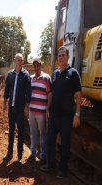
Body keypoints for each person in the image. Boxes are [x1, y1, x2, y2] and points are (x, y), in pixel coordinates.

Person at [41, 46, 81, 178]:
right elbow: (51, 93)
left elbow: (78, 95)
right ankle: (51, 163)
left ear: (68, 57)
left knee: (65, 144)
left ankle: (63, 168)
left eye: (63, 55)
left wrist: (77, 114)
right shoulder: (55, 73)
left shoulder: (73, 73)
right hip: (54, 115)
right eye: (59, 56)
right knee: (50, 140)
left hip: (66, 116)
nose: (61, 57)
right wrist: (47, 108)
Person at [3, 53, 31, 162]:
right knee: (11, 131)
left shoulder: (26, 75)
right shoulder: (10, 75)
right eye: (18, 60)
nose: (20, 62)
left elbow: (28, 93)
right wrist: (5, 103)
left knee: (20, 131)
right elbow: (7, 90)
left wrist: (27, 107)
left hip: (21, 109)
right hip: (12, 108)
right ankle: (9, 153)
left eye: (21, 60)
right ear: (15, 61)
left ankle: (19, 155)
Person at [27, 58, 50, 165]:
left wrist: (48, 109)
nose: (36, 68)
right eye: (34, 66)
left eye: (38, 65)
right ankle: (33, 153)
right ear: (33, 67)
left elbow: (50, 94)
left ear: (41, 66)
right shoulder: (31, 79)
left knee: (42, 134)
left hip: (41, 112)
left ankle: (43, 155)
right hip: (32, 111)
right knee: (33, 133)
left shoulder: (46, 78)